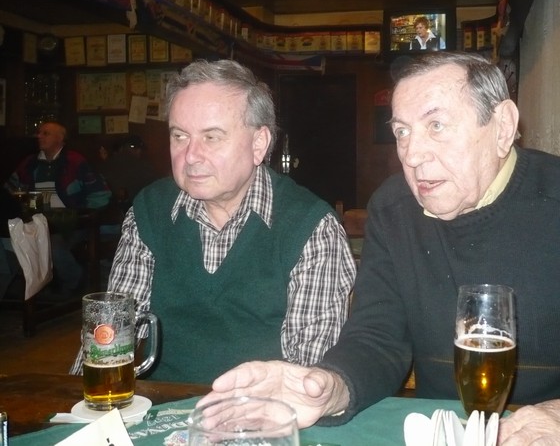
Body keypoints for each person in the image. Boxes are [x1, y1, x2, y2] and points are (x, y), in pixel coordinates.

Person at [199, 52, 560, 445]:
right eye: (402, 131)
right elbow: (379, 338)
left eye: (436, 125)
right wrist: (331, 386)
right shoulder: (393, 208)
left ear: (502, 127)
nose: (412, 154)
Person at [70, 59, 356, 384]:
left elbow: (304, 376)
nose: (191, 155)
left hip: (261, 406)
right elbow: (110, 340)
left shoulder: (311, 227)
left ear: (258, 144)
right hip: (162, 403)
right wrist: (75, 400)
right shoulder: (151, 211)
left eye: (212, 137)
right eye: (180, 136)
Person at [4, 121, 111, 295]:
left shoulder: (75, 161)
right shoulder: (30, 163)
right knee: (13, 242)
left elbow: (101, 194)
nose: (39, 136)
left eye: (45, 133)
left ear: (60, 138)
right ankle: (33, 289)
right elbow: (10, 189)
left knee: (51, 245)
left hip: (72, 222)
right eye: (39, 133)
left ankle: (73, 283)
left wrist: (82, 215)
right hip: (38, 221)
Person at [99, 134, 159, 212]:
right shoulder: (144, 166)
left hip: (119, 209)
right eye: (138, 149)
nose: (139, 152)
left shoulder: (109, 165)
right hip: (138, 208)